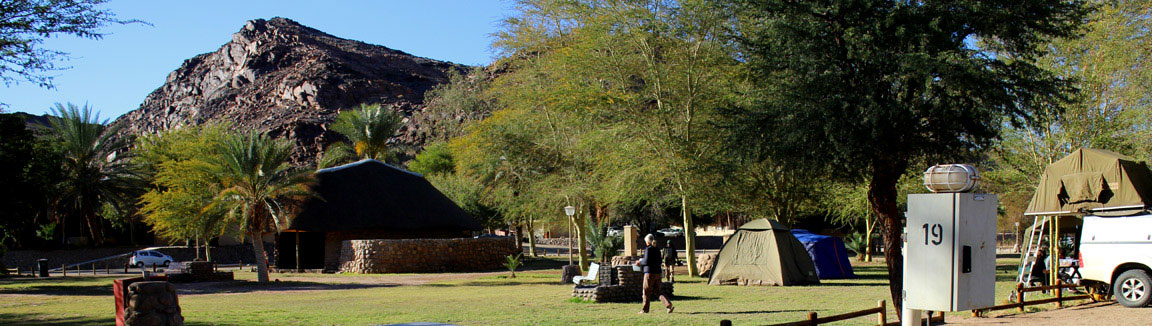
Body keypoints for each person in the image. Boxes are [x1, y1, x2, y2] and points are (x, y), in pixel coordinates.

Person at [635, 234, 674, 314]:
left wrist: (640, 262)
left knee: (646, 291)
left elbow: (646, 261)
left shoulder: (648, 249)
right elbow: (660, 261)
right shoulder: (657, 249)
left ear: (647, 242)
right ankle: (668, 304)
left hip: (649, 273)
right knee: (658, 291)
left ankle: (645, 309)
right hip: (658, 273)